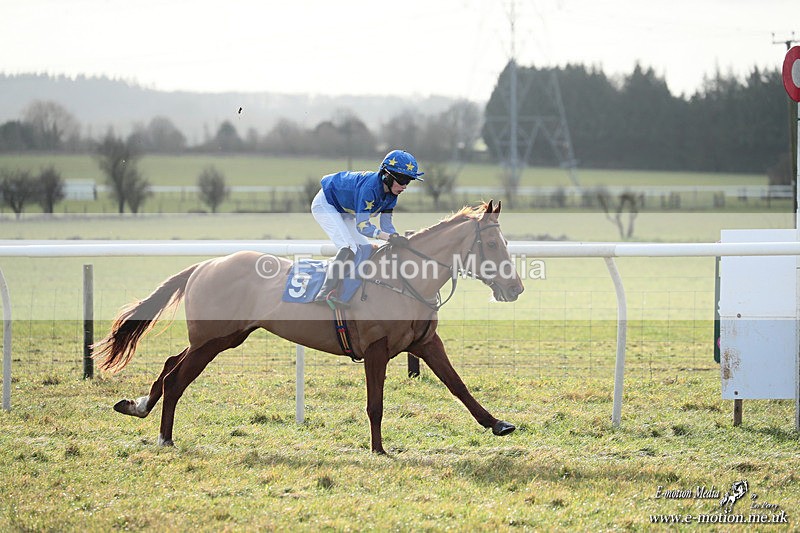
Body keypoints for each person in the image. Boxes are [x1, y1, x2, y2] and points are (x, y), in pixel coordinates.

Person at [310, 149, 424, 303]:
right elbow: (363, 226)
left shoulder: (392, 195)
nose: (404, 186)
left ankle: (349, 293)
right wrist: (389, 237)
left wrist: (397, 238)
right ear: (387, 176)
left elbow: (387, 226)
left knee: (365, 249)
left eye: (408, 181)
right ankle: (325, 293)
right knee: (349, 248)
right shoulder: (370, 188)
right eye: (402, 180)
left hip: (345, 210)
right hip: (326, 203)